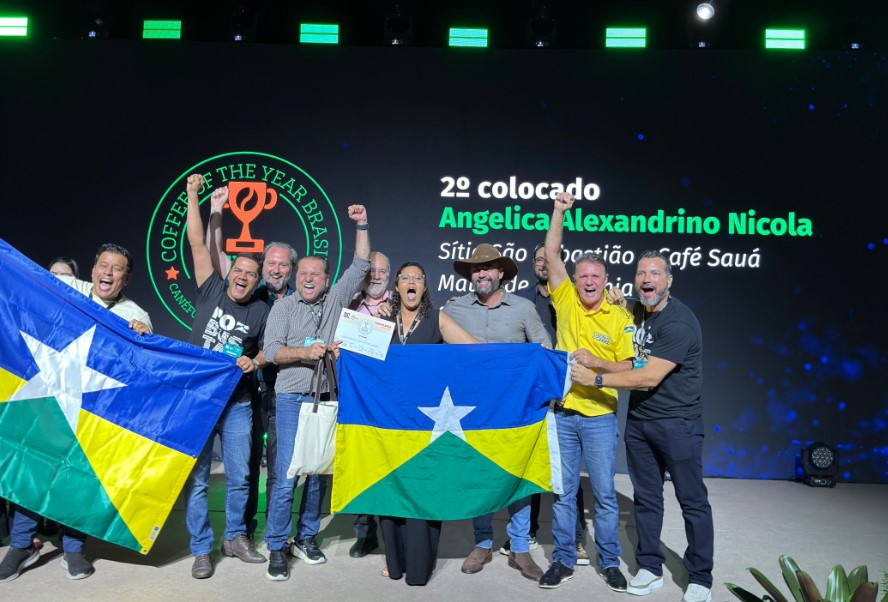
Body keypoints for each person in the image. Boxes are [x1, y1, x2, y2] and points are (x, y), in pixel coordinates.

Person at [0, 243, 152, 583]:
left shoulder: (136, 314)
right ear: (93, 268)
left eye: (116, 269)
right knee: (33, 467)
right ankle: (22, 544)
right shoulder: (70, 288)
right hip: (46, 399)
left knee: (76, 477)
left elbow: (143, 364)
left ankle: (73, 548)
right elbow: (28, 284)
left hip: (91, 411)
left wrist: (143, 338)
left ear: (126, 279)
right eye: (103, 265)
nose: (108, 273)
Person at [572, 250, 714, 602]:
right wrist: (599, 360)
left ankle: (700, 576)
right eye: (640, 273)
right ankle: (649, 566)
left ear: (669, 280)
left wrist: (595, 378)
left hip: (678, 424)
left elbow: (648, 376)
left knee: (692, 501)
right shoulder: (636, 312)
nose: (646, 279)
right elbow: (629, 361)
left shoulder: (678, 322)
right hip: (640, 423)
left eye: (654, 273)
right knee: (647, 500)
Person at [262, 204, 371, 582]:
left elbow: (360, 265)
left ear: (326, 279)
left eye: (316, 273)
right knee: (289, 474)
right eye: (303, 273)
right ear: (296, 277)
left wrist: (361, 224)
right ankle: (276, 544)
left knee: (318, 472)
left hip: (326, 399)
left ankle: (306, 537)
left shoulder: (337, 298)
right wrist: (305, 353)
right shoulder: (284, 307)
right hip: (292, 399)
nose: (309, 278)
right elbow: (273, 352)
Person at [536, 192, 634, 591]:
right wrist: (558, 211)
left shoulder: (620, 316)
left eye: (596, 276)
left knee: (606, 495)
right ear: (574, 281)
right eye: (583, 276)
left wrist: (598, 364)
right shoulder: (567, 301)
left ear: (606, 281)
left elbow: (631, 367)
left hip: (598, 419)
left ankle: (609, 562)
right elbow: (552, 251)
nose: (589, 282)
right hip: (563, 414)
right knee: (563, 494)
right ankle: (562, 559)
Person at [441, 244, 551, 582]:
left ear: (501, 272)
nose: (481, 274)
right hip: (472, 410)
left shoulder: (523, 308)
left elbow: (544, 350)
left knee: (517, 477)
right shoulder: (453, 308)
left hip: (515, 411)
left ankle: (519, 548)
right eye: (476, 270)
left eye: (488, 268)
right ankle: (482, 543)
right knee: (480, 476)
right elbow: (430, 342)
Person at [204, 190, 308, 541]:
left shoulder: (300, 301)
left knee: (280, 467)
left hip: (285, 395)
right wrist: (216, 213)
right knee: (245, 466)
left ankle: (277, 532)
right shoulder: (250, 292)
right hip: (250, 393)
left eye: (283, 265)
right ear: (262, 267)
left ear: (291, 270)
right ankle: (243, 531)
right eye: (271, 263)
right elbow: (215, 254)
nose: (276, 269)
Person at [183, 174, 269, 579]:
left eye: (251, 274)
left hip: (237, 403)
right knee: (198, 481)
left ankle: (235, 537)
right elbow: (198, 243)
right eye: (238, 269)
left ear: (257, 281)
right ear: (230, 270)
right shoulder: (210, 290)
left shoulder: (262, 311)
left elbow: (270, 350)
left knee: (240, 476)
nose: (243, 276)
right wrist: (193, 195)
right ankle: (201, 548)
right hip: (199, 400)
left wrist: (257, 362)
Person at [378, 261, 476, 585]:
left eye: (417, 278)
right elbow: (361, 361)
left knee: (421, 492)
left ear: (424, 286)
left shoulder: (438, 319)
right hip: (389, 423)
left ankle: (418, 562)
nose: (410, 282)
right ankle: (394, 560)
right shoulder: (381, 322)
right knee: (391, 491)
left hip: (425, 426)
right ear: (396, 286)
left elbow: (475, 351)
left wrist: (521, 357)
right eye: (404, 277)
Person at [510, 243, 589, 565]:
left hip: (568, 392)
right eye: (537, 259)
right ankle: (525, 532)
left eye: (549, 259)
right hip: (536, 394)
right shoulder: (526, 303)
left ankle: (577, 539)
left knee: (566, 470)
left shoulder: (573, 299)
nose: (543, 264)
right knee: (532, 464)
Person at [346, 251, 391, 558]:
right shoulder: (347, 302)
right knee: (359, 464)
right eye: (371, 270)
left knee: (389, 464)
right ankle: (365, 534)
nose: (375, 276)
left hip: (389, 399)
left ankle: (393, 528)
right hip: (356, 397)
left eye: (382, 271)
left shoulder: (400, 303)